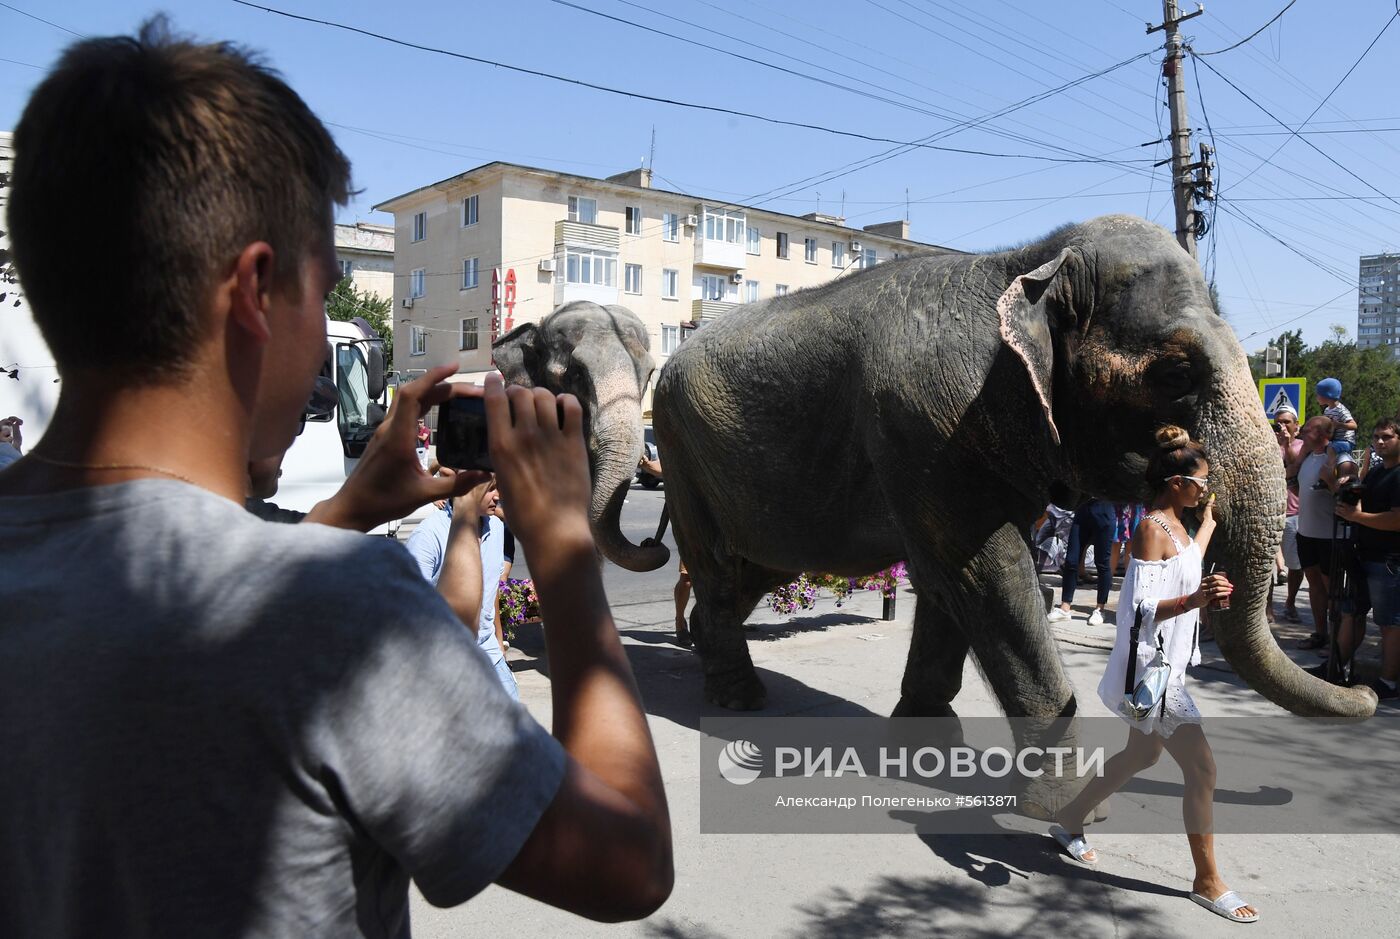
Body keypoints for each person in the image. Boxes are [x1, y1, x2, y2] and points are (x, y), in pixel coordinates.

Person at [0, 22, 671, 937]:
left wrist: (349, 510)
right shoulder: (346, 617)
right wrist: (562, 554)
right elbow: (628, 861)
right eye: (321, 297)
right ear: (256, 292)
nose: (321, 333)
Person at [1049, 426, 1253, 923]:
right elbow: (1135, 610)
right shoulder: (1151, 529)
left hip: (1170, 669)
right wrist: (1195, 600)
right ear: (1175, 482)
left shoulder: (1182, 526)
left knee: (1139, 755)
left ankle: (1069, 820)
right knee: (1203, 770)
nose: (1206, 488)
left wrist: (1209, 559)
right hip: (1152, 672)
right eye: (1200, 482)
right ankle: (1206, 881)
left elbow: (1192, 556)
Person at [406, 471, 519, 699]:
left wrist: (498, 642)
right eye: (491, 489)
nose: (498, 497)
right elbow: (410, 608)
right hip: (444, 656)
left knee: (515, 726)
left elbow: (491, 590)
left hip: (489, 653)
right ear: (468, 489)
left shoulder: (496, 528)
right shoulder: (429, 535)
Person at [1333, 419, 1400, 699]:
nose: (1380, 442)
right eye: (1376, 437)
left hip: (1388, 561)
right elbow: (1360, 498)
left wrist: (1357, 517)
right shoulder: (1375, 473)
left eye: (1386, 437)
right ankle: (1336, 669)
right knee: (1351, 614)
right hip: (1363, 555)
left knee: (1389, 624)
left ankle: (1388, 682)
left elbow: (1396, 520)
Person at [1290, 416, 1341, 649]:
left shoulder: (1339, 459)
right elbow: (1296, 483)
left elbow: (1346, 495)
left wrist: (1330, 482)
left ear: (1323, 435)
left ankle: (1339, 641)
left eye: (1308, 430)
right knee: (1314, 585)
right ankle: (1321, 633)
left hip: (1330, 536)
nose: (1303, 433)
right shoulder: (1308, 457)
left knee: (1332, 590)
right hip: (1306, 533)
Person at [636, 452, 693, 647]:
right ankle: (679, 622)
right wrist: (658, 538)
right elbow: (668, 505)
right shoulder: (679, 462)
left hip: (721, 532)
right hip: (693, 535)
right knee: (687, 580)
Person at [1047, 499, 1116, 627]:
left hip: (1104, 511)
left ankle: (1100, 609)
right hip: (1083, 511)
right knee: (1071, 561)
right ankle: (1065, 608)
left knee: (1102, 562)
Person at [1273, 406, 1305, 623]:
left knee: (1295, 564)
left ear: (1297, 425)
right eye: (1278, 423)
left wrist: (1286, 444)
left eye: (1286, 422)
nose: (1282, 426)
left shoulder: (1303, 446)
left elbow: (1293, 467)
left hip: (1294, 513)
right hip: (1271, 513)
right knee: (1265, 565)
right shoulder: (1269, 445)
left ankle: (1290, 603)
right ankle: (1266, 609)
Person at [1314, 377, 1357, 485]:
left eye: (1318, 394)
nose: (1316, 397)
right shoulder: (1327, 410)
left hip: (1345, 441)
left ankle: (1330, 472)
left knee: (1331, 449)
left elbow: (1354, 425)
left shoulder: (1341, 410)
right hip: (1334, 440)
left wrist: (1339, 425)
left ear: (1327, 395)